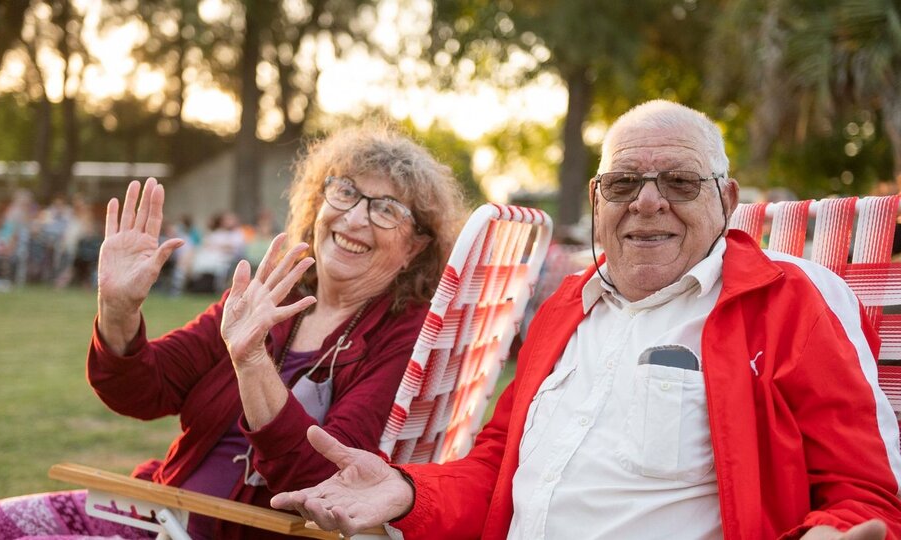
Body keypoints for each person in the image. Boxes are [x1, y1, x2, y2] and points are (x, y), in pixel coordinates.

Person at [271, 101, 901, 539]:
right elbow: (497, 468)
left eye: (680, 182)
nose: (648, 201)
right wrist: (409, 492)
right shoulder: (566, 308)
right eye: (624, 182)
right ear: (598, 200)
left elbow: (866, 492)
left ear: (727, 199)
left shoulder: (788, 304)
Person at [0, 125, 466, 540]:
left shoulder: (405, 337)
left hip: (226, 531)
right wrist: (119, 311)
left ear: (416, 247)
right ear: (319, 203)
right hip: (165, 511)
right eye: (347, 191)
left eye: (386, 209)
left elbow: (329, 483)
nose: (356, 217)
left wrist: (251, 363)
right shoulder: (269, 295)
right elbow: (142, 389)